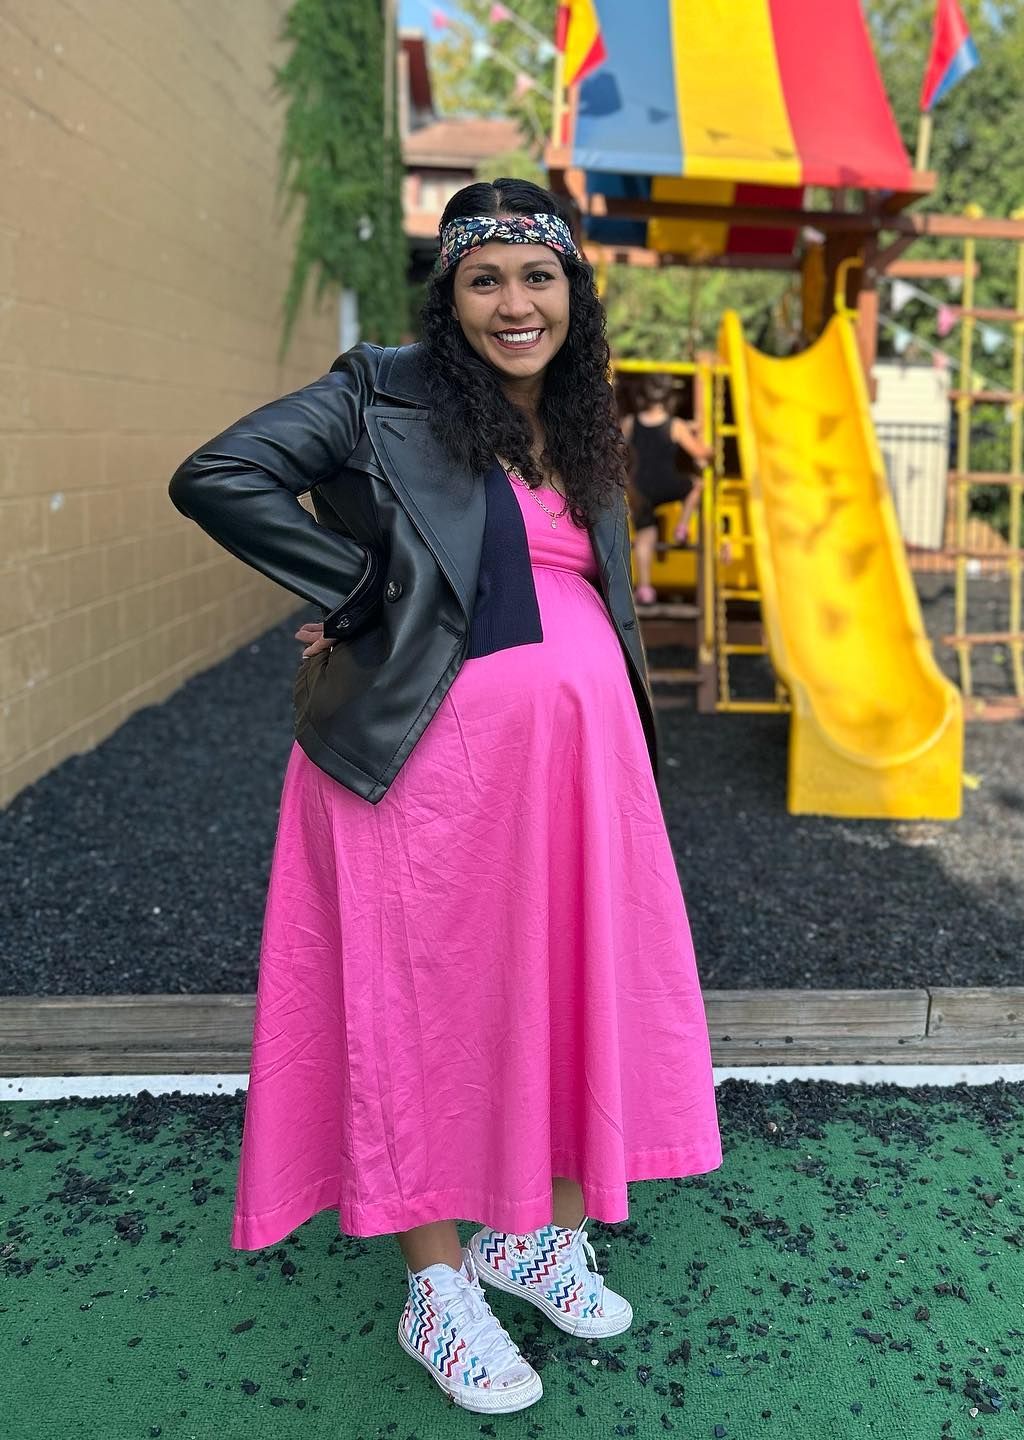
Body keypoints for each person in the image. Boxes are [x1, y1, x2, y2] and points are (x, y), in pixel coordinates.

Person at [168, 179, 723, 1416]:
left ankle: (536, 1237)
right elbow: (220, 474)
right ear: (450, 296)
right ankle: (435, 1285)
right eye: (485, 279)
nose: (515, 303)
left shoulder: (580, 418)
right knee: (419, 1006)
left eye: (539, 276)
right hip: (422, 769)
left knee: (571, 983)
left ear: (574, 292)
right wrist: (360, 589)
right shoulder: (380, 391)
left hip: (575, 773)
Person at [622, 375, 712, 605]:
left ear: (642, 397)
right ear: (670, 398)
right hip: (666, 483)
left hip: (639, 487)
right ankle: (682, 526)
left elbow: (617, 446)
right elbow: (699, 453)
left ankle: (644, 588)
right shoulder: (675, 425)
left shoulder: (631, 423)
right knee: (696, 485)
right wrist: (709, 448)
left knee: (645, 535)